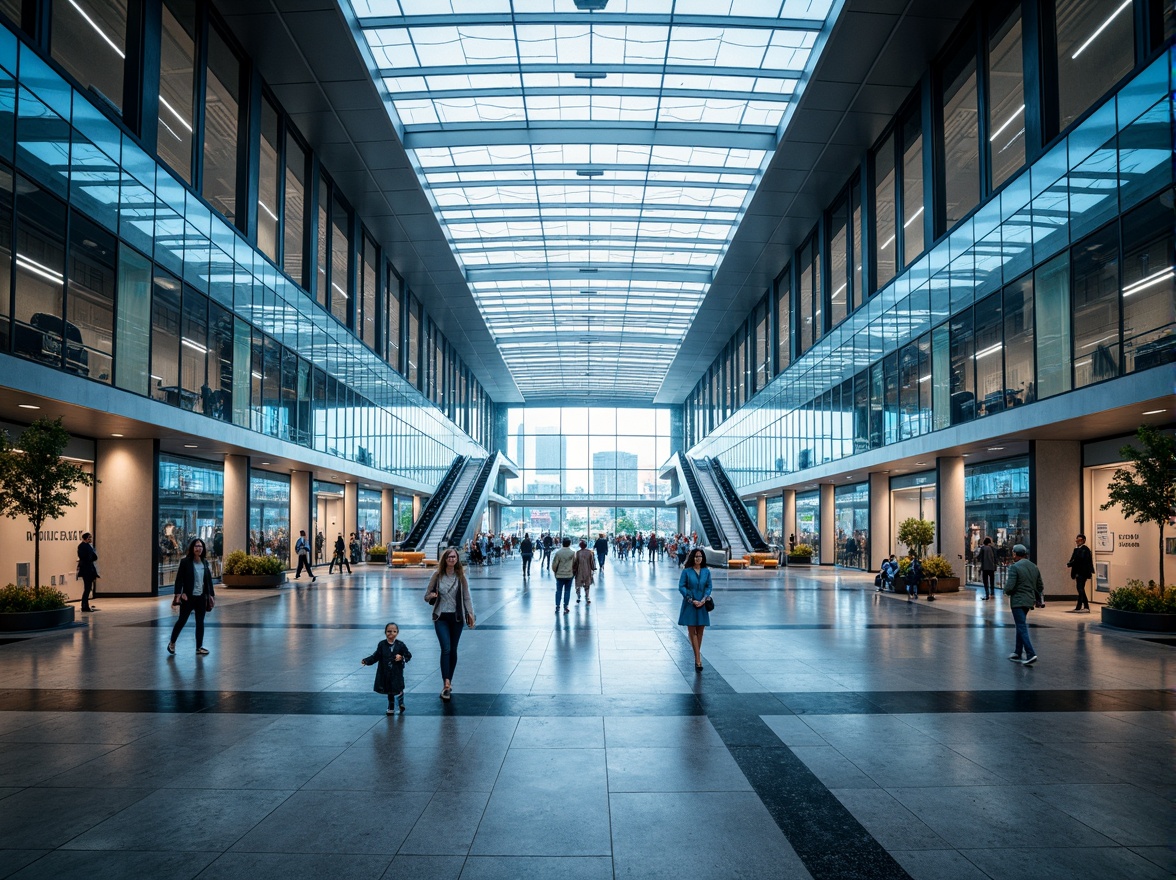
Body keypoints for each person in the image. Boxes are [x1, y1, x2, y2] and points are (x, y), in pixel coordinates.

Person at [423, 547, 475, 701]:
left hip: (457, 618)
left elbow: (466, 597)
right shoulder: (437, 576)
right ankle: (446, 682)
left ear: (457, 559)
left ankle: (449, 681)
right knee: (445, 648)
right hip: (441, 618)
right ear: (444, 559)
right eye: (449, 557)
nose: (452, 559)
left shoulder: (461, 577)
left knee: (453, 650)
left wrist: (470, 614)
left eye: (454, 557)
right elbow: (426, 596)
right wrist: (431, 595)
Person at [168, 538, 215, 656]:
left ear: (203, 549)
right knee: (182, 620)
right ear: (192, 548)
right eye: (196, 546)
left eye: (200, 546)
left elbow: (208, 581)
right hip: (188, 597)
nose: (198, 548)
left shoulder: (205, 562)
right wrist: (178, 594)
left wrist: (211, 595)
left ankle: (199, 647)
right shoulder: (185, 562)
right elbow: (179, 579)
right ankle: (172, 643)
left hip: (201, 597)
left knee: (200, 622)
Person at [1003, 544, 1044, 665]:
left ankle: (1030, 653)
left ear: (1015, 554)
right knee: (1020, 624)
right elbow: (1040, 585)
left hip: (1018, 601)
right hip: (1028, 601)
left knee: (1021, 626)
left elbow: (1010, 586)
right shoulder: (1034, 567)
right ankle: (1017, 651)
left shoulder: (1014, 567)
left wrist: (1006, 591)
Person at [361, 622, 412, 714]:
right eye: (389, 631)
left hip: (397, 672)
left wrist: (402, 657)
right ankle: (391, 706)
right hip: (386, 672)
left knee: (398, 687)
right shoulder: (382, 645)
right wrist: (367, 661)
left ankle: (401, 702)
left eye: (394, 631)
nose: (391, 633)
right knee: (390, 690)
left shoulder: (400, 645)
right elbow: (376, 656)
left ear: (397, 633)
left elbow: (408, 655)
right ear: (385, 632)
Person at [678, 548, 713, 671]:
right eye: (696, 556)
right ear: (692, 557)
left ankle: (697, 655)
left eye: (700, 556)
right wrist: (690, 598)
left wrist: (704, 599)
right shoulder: (686, 572)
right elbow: (681, 586)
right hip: (690, 604)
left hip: (702, 605)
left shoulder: (706, 572)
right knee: (692, 631)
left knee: (700, 631)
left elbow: (709, 586)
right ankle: (698, 660)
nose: (698, 558)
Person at [1065, 533, 1094, 613]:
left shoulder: (1085, 550)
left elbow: (1080, 561)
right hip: (1078, 572)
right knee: (1081, 589)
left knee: (1080, 588)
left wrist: (1071, 564)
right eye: (1076, 540)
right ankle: (1085, 606)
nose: (1077, 541)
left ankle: (1081, 607)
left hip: (1082, 572)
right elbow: (1073, 559)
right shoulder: (1077, 549)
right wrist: (1070, 563)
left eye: (1079, 540)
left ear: (1083, 541)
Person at [551, 537, 576, 613]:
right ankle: (566, 607)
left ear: (562, 543)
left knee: (558, 591)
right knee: (567, 591)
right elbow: (575, 564)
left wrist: (555, 572)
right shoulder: (572, 553)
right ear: (569, 544)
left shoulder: (558, 553)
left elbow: (554, 565)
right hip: (569, 575)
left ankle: (557, 606)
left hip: (559, 575)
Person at [76, 532, 99, 612]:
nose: (90, 539)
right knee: (87, 588)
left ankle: (85, 605)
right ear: (85, 538)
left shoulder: (87, 546)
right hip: (86, 569)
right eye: (89, 538)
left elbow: (94, 557)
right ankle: (84, 606)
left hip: (88, 569)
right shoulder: (83, 546)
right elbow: (85, 556)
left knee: (88, 588)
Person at [574, 539, 596, 605]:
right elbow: (592, 561)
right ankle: (587, 596)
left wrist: (574, 569)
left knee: (578, 584)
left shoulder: (578, 552)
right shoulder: (589, 552)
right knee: (587, 584)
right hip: (587, 570)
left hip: (579, 570)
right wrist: (593, 568)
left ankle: (578, 596)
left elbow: (576, 562)